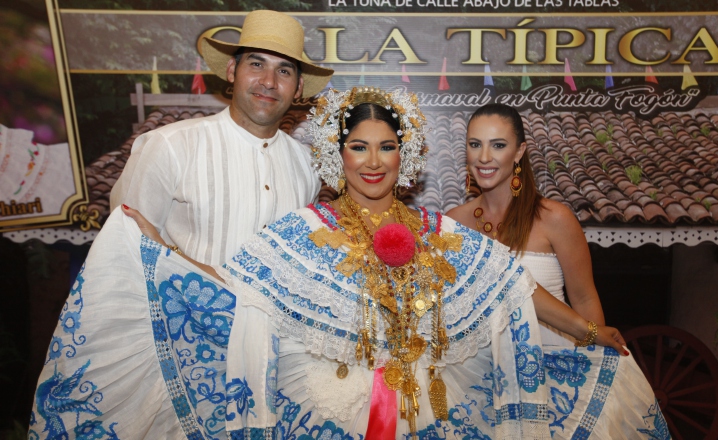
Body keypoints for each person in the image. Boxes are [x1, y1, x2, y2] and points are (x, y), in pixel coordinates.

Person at [30, 87, 668, 439]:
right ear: (338, 156)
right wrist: (160, 252)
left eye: (386, 147)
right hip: (327, 412)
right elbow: (238, 288)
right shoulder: (304, 229)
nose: (372, 161)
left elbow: (512, 286)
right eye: (358, 147)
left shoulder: (438, 228)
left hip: (433, 410)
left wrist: (590, 331)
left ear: (403, 155)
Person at [110, 10, 334, 266]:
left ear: (298, 88)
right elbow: (122, 248)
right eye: (256, 64)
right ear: (231, 71)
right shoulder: (170, 146)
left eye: (284, 71)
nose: (269, 81)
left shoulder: (307, 165)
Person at [447, 104, 604, 346]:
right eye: (475, 144)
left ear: (519, 152)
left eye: (498, 145)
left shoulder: (555, 218)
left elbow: (584, 300)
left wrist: (596, 359)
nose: (484, 157)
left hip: (553, 361)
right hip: (479, 365)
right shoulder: (453, 222)